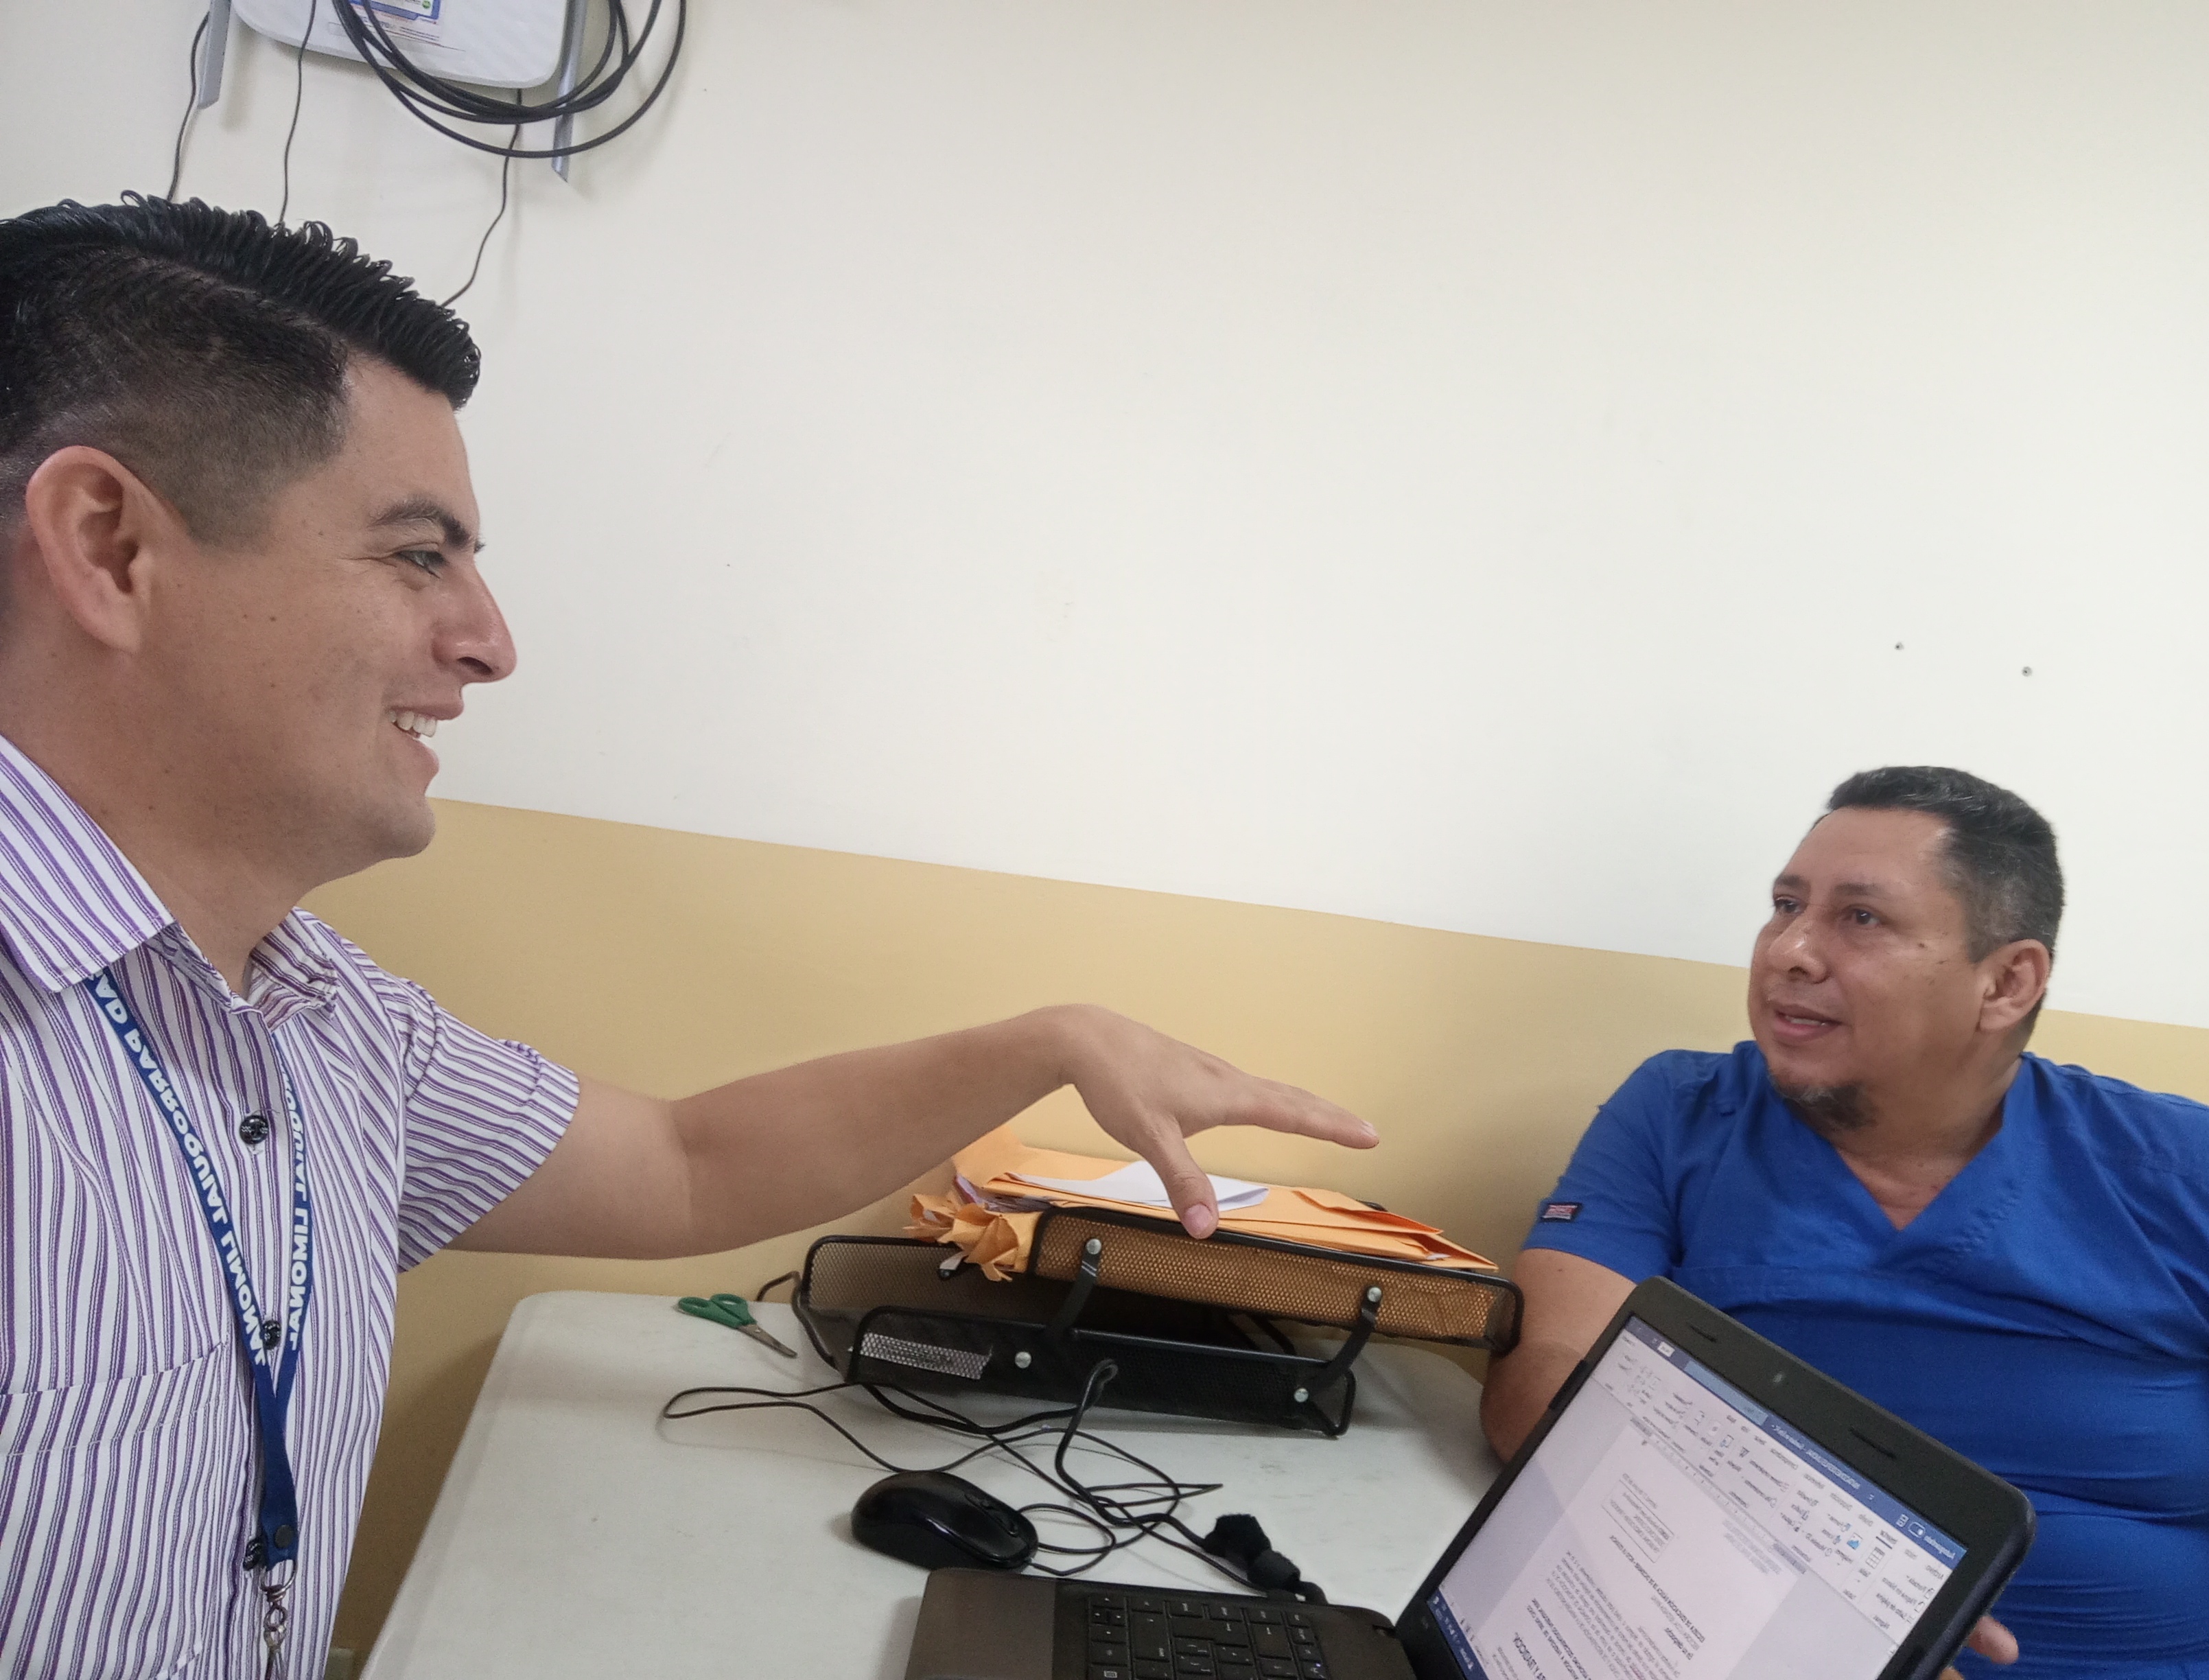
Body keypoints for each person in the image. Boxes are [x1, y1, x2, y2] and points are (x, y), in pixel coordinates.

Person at [0, 196, 1377, 1679]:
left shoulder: (318, 1016)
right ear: (112, 550)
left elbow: (685, 1162)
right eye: (417, 555)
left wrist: (1053, 1042)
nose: (490, 641)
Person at [1483, 765, 2209, 1679]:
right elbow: (1546, 1378)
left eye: (1862, 918)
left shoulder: (2201, 1172)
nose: (1789, 951)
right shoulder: (1682, 1114)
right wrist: (1840, 1597)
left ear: (2007, 982)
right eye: (1785, 906)